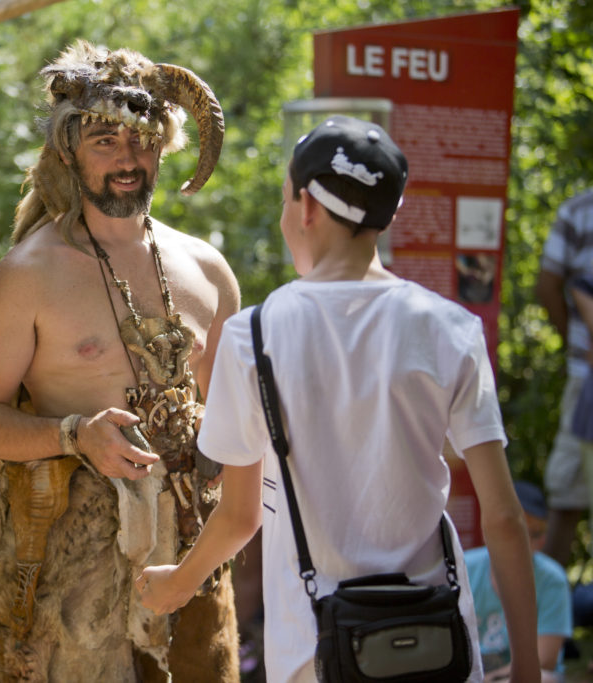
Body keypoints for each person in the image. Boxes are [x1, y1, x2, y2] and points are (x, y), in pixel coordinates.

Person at [137, 115, 540, 682]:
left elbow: (239, 515)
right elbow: (503, 518)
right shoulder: (450, 328)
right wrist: (526, 669)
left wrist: (177, 583)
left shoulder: (254, 338)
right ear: (386, 217)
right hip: (436, 646)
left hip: (316, 653)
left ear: (305, 208)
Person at [0, 41, 241, 682]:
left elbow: (231, 420)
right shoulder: (26, 276)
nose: (126, 159)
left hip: (191, 566)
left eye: (141, 140)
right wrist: (74, 435)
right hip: (63, 572)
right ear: (69, 151)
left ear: (163, 146)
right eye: (104, 141)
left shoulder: (208, 270)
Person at [535, 189, 592, 567]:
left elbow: (549, 285)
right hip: (586, 378)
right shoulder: (579, 210)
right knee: (566, 494)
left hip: (584, 375)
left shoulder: (579, 209)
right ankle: (551, 616)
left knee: (566, 495)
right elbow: (551, 285)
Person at [465, 481, 571, 682]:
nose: (525, 542)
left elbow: (545, 660)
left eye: (536, 533)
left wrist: (492, 678)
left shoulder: (552, 579)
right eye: (517, 531)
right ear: (488, 531)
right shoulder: (464, 566)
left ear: (544, 538)